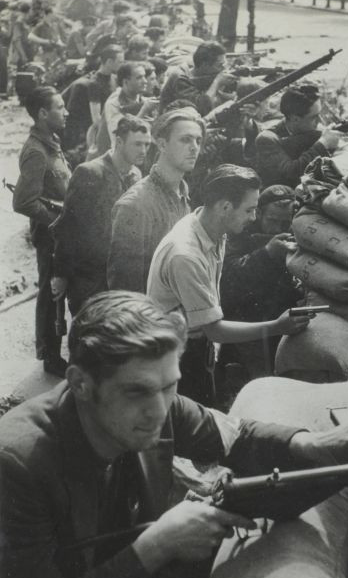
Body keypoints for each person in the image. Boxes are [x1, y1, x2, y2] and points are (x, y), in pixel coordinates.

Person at [0, 291, 348, 578]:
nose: (159, 410)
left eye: (170, 386)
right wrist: (156, 546)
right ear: (80, 383)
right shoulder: (17, 464)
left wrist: (307, 444)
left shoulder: (158, 403)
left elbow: (235, 436)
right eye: (137, 392)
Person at [147, 165, 308, 406]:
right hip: (176, 353)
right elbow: (213, 329)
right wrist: (277, 326)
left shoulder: (212, 229)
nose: (253, 218)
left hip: (194, 345)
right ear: (224, 207)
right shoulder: (185, 254)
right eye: (249, 210)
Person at [51, 116, 149, 315]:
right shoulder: (90, 172)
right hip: (89, 279)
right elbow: (68, 226)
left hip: (120, 277)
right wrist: (61, 274)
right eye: (137, 144)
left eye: (147, 144)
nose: (143, 150)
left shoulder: (136, 174)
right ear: (119, 142)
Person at [108, 108, 203, 294]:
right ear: (162, 145)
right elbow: (126, 289)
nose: (194, 147)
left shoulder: (182, 192)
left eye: (198, 140)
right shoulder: (135, 205)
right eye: (185, 139)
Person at [12, 86, 70, 377]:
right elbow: (22, 201)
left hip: (58, 233)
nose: (66, 111)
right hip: (50, 236)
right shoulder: (36, 151)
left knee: (56, 292)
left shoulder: (51, 140)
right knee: (50, 293)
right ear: (43, 113)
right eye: (60, 107)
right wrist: (54, 222)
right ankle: (49, 355)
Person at [220, 184, 301, 379]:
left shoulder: (299, 232)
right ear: (259, 214)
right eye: (272, 220)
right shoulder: (239, 232)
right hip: (249, 323)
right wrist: (266, 254)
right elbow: (230, 278)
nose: (278, 228)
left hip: (283, 320)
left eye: (285, 222)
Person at [255, 84, 343, 188]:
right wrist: (322, 144)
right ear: (295, 119)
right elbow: (290, 172)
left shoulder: (313, 130)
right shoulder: (267, 139)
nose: (320, 121)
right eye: (314, 117)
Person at [94, 62, 157, 156]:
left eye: (144, 76)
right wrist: (144, 110)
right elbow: (121, 136)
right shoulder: (114, 103)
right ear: (125, 82)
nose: (145, 81)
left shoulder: (141, 99)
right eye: (139, 78)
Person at [159, 41, 235, 115]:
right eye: (219, 65)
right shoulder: (180, 78)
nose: (223, 69)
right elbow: (202, 109)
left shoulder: (200, 74)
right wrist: (217, 82)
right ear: (204, 65)